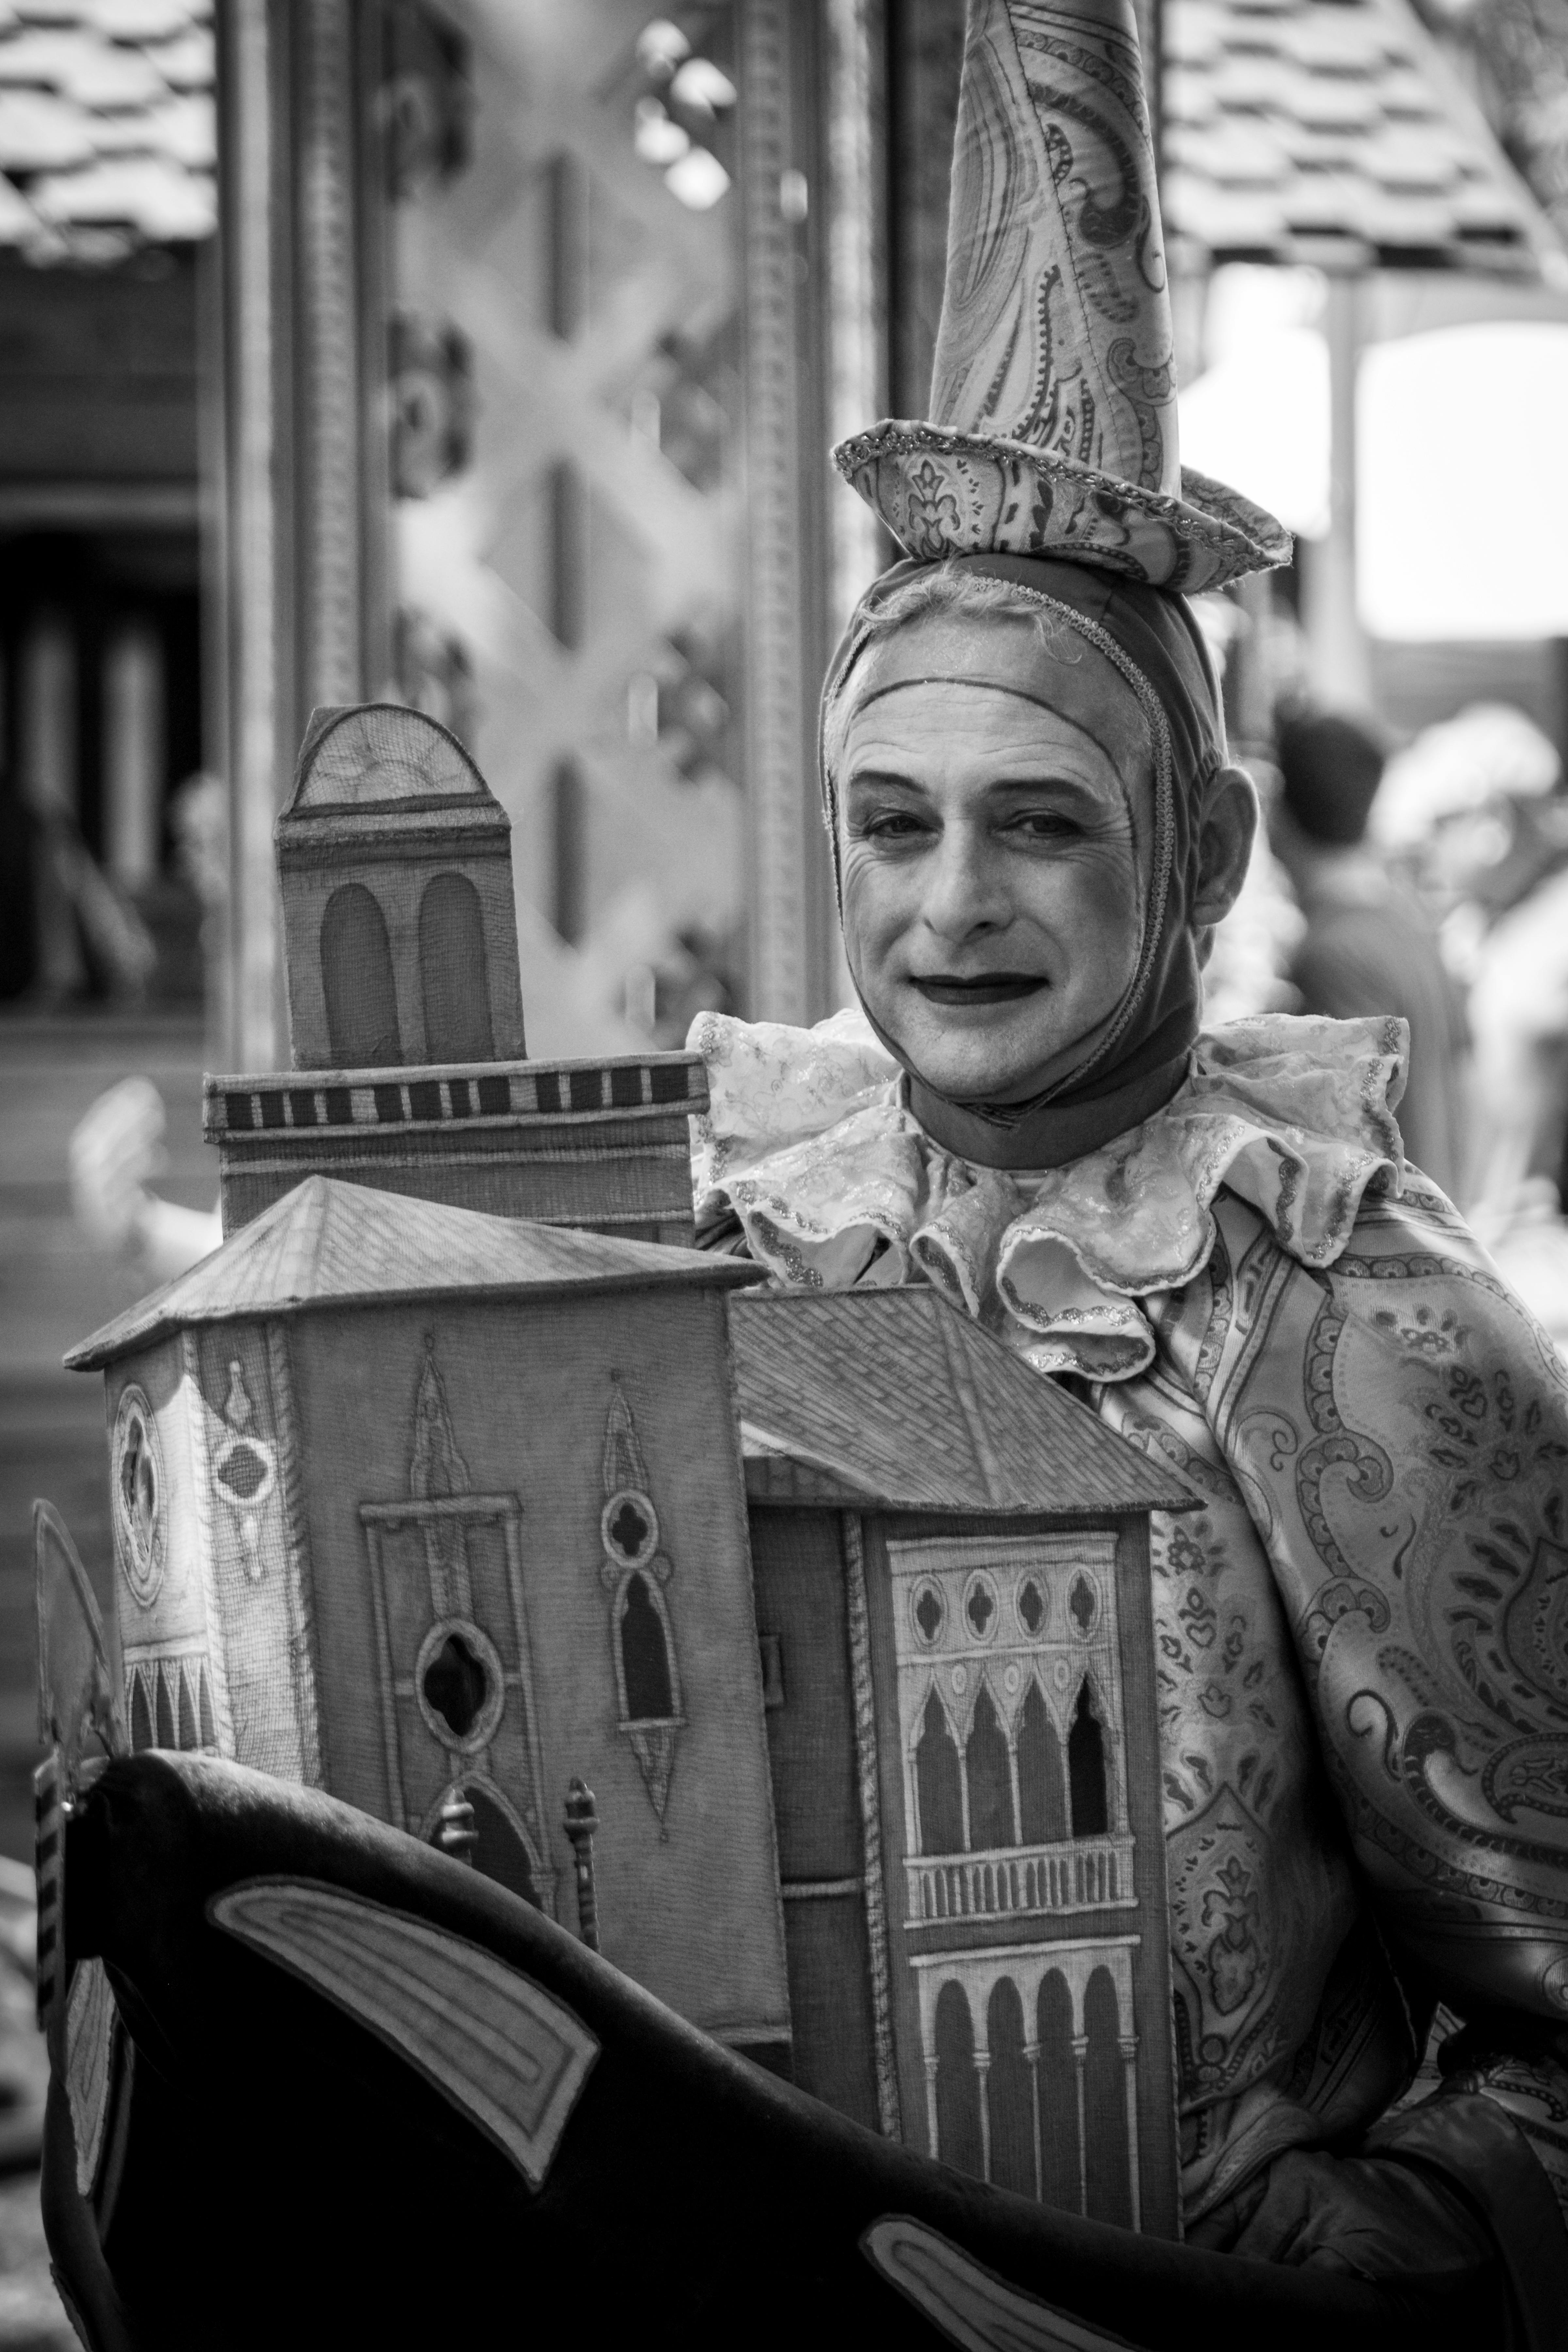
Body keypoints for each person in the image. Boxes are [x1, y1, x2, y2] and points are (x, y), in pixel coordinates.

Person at [690, 0, 1568, 2334]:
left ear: (1203, 849)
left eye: (1040, 823)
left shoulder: (1361, 1320)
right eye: (893, 823)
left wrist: (1392, 2225)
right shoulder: (726, 1242)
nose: (949, 907)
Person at [1270, 707, 1467, 1200]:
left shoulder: (1332, 957)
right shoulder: (1407, 922)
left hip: (1388, 1233)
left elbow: (1343, 1151)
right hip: (1438, 1224)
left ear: (1276, 810)